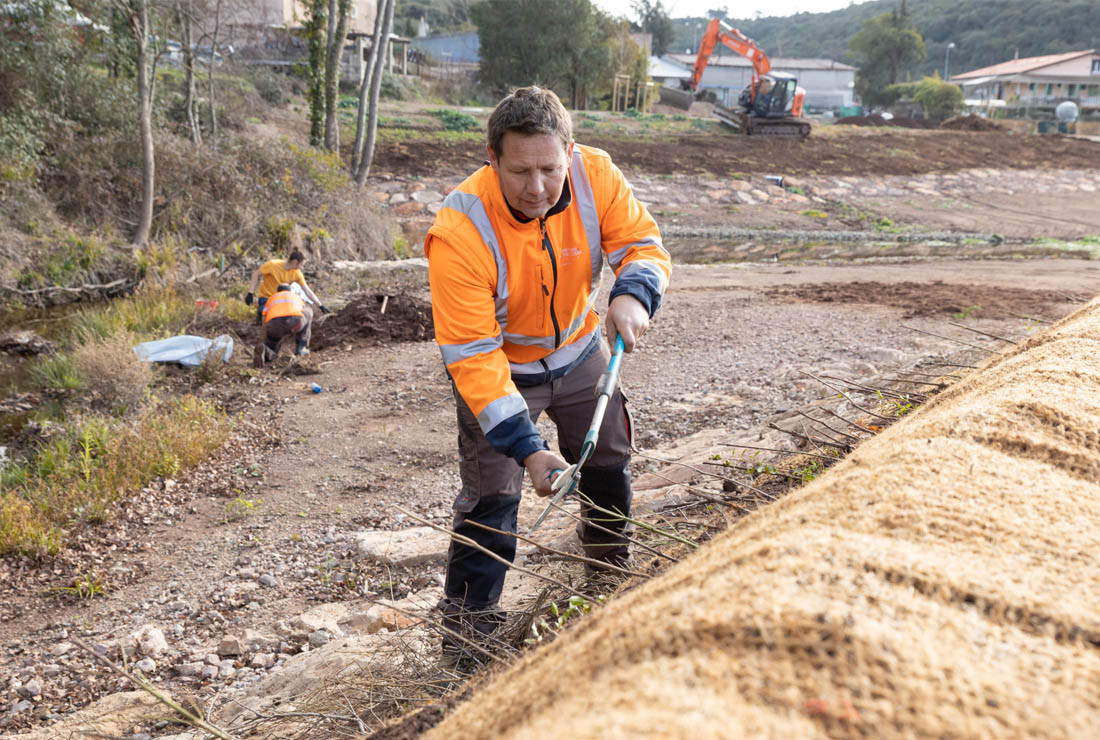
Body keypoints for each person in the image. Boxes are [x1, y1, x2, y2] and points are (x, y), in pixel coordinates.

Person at [424, 86, 671, 664]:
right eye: (520, 172)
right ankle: (467, 640)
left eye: (550, 169)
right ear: (492, 157)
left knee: (607, 457)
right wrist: (528, 450)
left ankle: (609, 581)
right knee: (492, 500)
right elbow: (474, 360)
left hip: (581, 349)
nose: (537, 188)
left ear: (570, 151)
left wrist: (633, 297)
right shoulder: (458, 231)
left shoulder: (596, 176)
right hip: (503, 368)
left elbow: (641, 243)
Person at [245, 251, 329, 324]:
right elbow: (256, 274)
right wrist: (250, 293)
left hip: (282, 299)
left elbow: (307, 290)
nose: (302, 268)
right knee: (265, 314)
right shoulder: (272, 265)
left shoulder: (297, 274)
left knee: (286, 317)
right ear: (295, 262)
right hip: (267, 298)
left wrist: (320, 306)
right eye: (302, 265)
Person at [260, 283, 313, 361]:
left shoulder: (271, 298)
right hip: (295, 323)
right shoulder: (296, 296)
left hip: (275, 325)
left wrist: (264, 337)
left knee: (273, 339)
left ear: (277, 291)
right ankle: (301, 348)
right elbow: (302, 309)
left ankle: (269, 353)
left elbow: (264, 318)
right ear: (290, 290)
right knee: (308, 311)